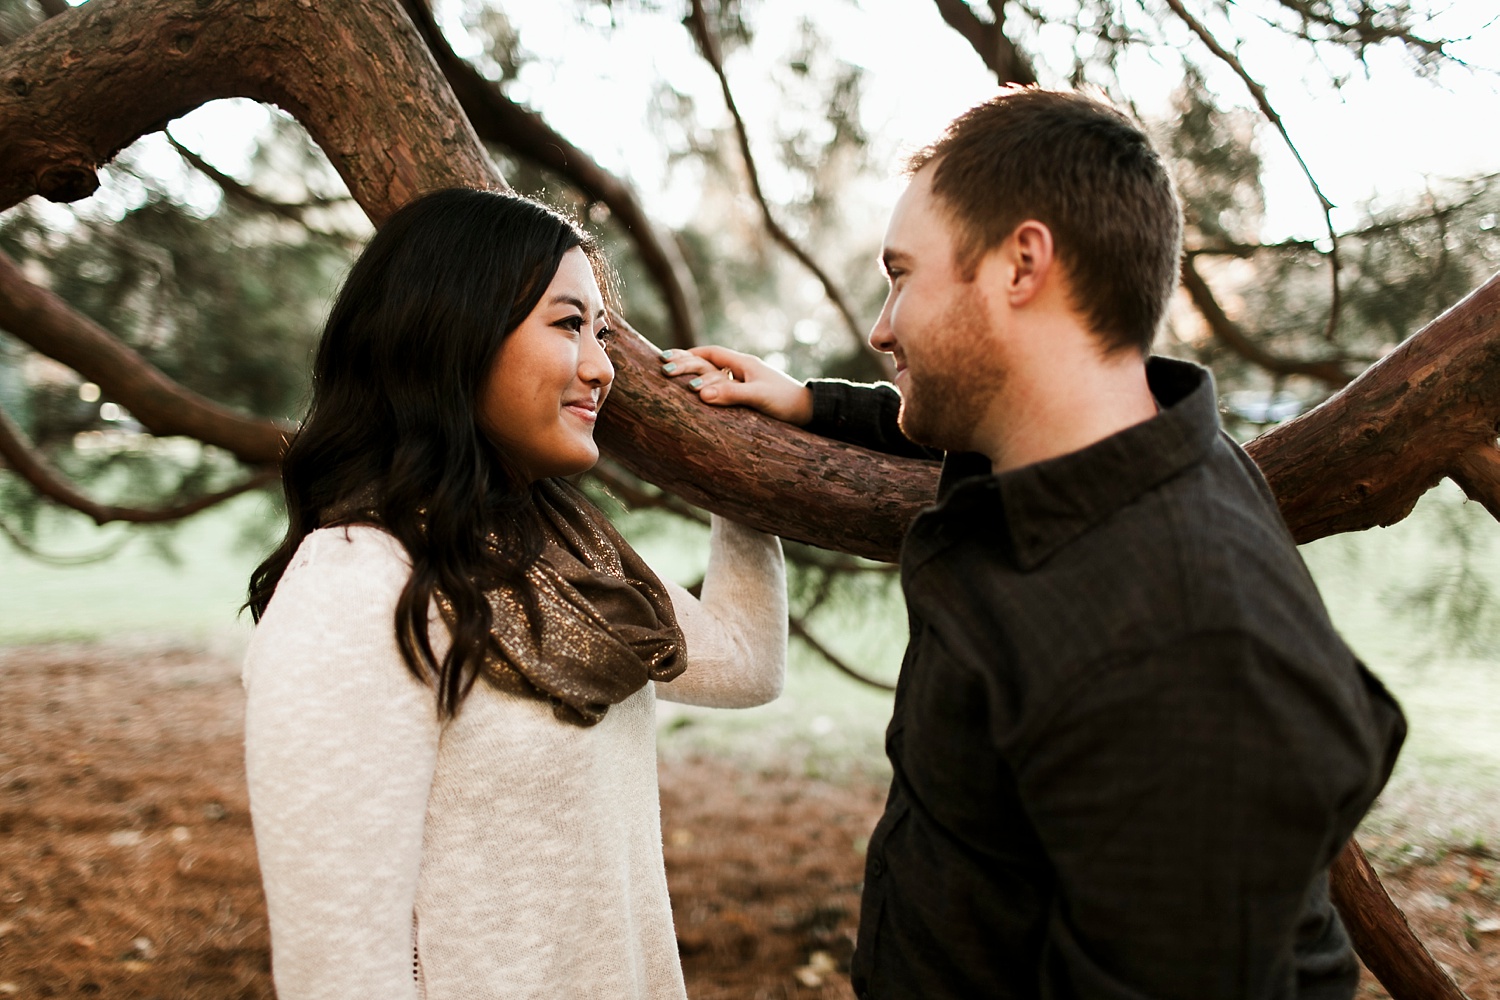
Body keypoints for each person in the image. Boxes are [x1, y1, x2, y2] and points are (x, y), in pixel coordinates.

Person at [662, 89, 1406, 999]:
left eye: (903, 275)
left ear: (1022, 264)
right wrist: (815, 405)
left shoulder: (1186, 642)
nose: (882, 326)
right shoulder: (1109, 443)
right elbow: (964, 415)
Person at [242, 187, 786, 1000]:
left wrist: (736, 465)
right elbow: (339, 970)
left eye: (601, 333)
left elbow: (746, 665)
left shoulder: (563, 554)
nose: (603, 368)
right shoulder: (356, 585)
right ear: (452, 334)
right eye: (570, 325)